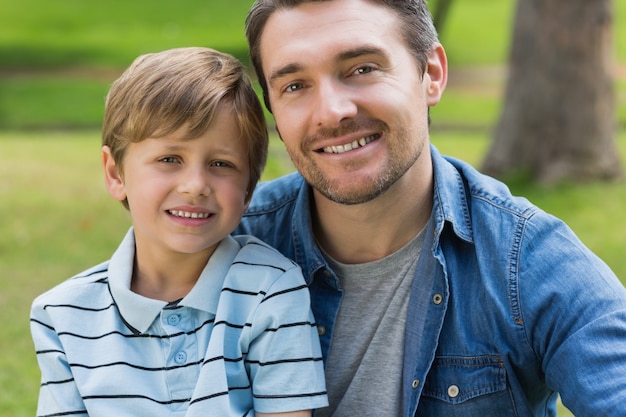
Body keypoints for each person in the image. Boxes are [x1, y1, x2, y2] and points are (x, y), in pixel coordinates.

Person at [234, 0, 626, 416]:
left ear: (432, 75)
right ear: (274, 110)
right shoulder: (228, 245)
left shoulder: (525, 262)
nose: (332, 112)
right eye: (294, 85)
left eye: (362, 69)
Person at [30, 47, 327, 417]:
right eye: (169, 159)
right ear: (115, 173)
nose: (195, 185)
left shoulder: (271, 291)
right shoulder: (63, 315)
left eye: (221, 163)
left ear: (249, 188)